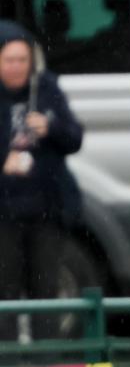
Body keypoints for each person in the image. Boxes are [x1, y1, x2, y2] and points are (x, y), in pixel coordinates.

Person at [0, 22, 82, 341]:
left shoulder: (46, 88)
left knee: (45, 286)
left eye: (23, 60)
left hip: (46, 207)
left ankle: (46, 362)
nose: (17, 67)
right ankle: (7, 361)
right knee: (5, 287)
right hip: (5, 211)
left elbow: (74, 138)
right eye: (9, 60)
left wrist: (51, 128)